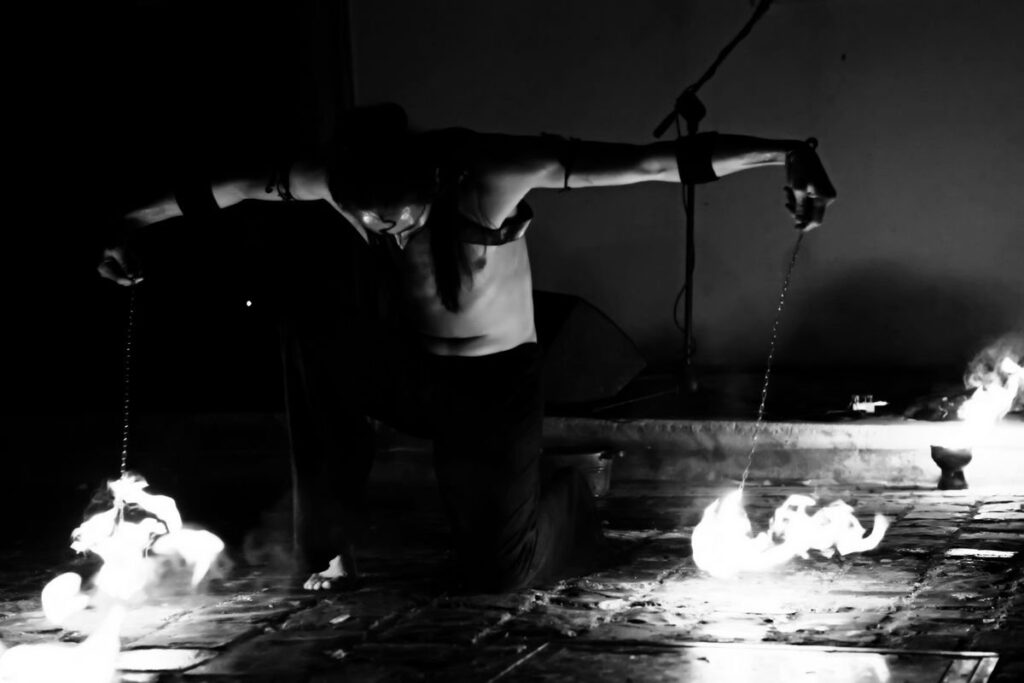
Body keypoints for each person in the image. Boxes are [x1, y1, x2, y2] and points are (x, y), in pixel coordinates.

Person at [98, 103, 836, 592]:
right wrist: (131, 223)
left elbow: (651, 162)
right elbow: (226, 189)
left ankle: (567, 495)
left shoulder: (492, 171)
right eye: (367, 219)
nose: (388, 232)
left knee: (496, 575)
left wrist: (787, 154)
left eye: (398, 216)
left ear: (426, 182)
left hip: (492, 388)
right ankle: (325, 544)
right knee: (305, 326)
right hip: (408, 371)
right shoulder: (338, 178)